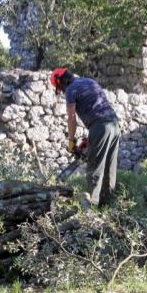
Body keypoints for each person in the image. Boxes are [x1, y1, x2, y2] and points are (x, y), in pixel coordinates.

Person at [50, 68, 121, 207]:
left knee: (94, 171)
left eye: (59, 88)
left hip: (100, 127)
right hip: (115, 124)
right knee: (109, 169)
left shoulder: (71, 89)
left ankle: (92, 210)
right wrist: (91, 139)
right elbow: (98, 109)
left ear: (61, 83)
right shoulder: (89, 81)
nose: (62, 91)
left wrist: (71, 142)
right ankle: (109, 207)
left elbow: (71, 118)